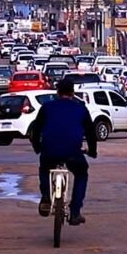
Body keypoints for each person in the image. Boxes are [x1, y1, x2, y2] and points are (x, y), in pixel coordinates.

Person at [29, 78, 97, 225]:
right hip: (73, 151)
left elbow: (36, 130)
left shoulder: (47, 107)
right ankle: (75, 212)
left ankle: (46, 195)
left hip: (49, 150)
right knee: (81, 174)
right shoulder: (80, 108)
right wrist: (92, 151)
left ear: (57, 92)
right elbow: (91, 132)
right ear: (72, 92)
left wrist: (37, 147)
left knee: (44, 168)